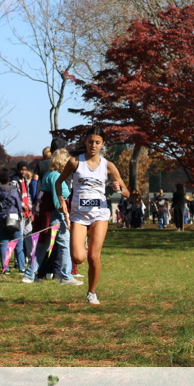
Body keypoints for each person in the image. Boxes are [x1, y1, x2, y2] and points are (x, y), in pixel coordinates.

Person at [55, 126, 130, 305]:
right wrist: (61, 200)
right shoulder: (75, 162)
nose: (93, 145)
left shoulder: (108, 165)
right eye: (90, 142)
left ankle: (92, 292)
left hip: (99, 215)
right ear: (85, 142)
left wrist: (119, 189)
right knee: (78, 258)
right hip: (79, 215)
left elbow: (127, 192)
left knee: (94, 257)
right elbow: (58, 182)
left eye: (97, 142)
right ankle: (86, 247)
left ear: (103, 144)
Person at [25, 148, 81, 284]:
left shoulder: (49, 174)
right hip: (55, 216)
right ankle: (66, 276)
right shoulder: (55, 176)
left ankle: (29, 275)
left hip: (46, 215)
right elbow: (58, 202)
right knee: (65, 243)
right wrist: (67, 216)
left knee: (43, 246)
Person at [0, 169, 24, 273]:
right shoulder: (13, 190)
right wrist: (20, 214)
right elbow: (19, 204)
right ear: (9, 179)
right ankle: (21, 267)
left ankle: (5, 268)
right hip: (12, 218)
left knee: (3, 243)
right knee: (18, 243)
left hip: (0, 218)